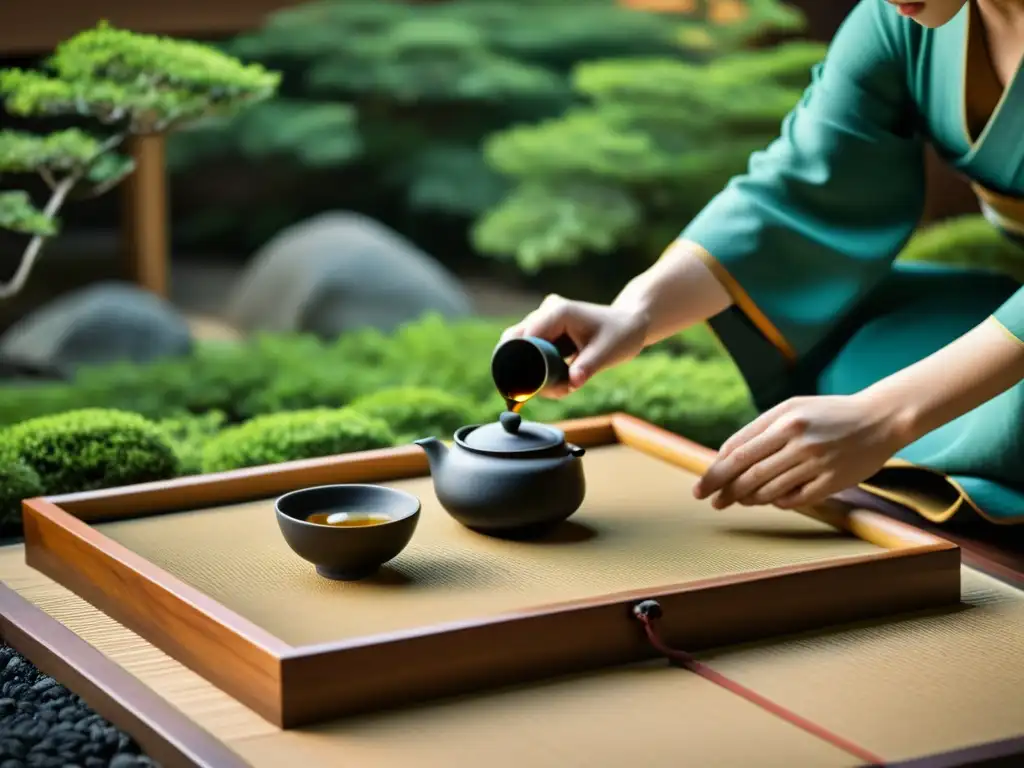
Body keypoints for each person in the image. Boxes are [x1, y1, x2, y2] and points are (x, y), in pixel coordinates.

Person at [502, 0, 1024, 525]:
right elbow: (803, 181)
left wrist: (883, 415)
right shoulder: (898, 22)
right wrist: (634, 312)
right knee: (842, 334)